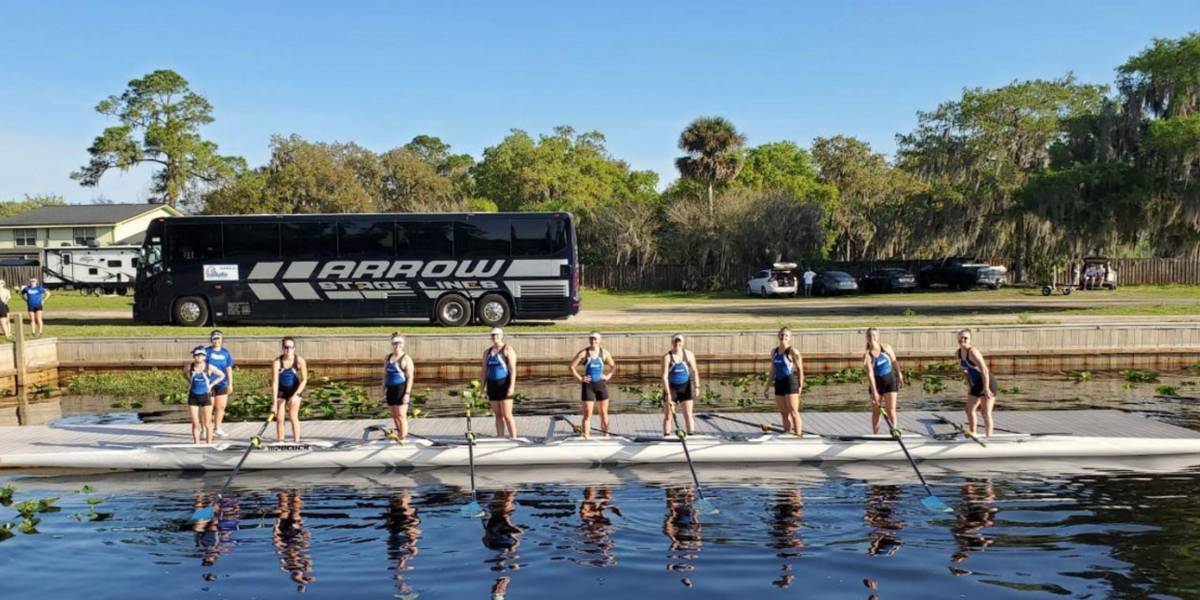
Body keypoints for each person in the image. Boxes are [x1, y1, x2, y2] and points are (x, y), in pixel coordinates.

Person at [569, 332, 616, 438]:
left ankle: (606, 437)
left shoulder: (604, 353)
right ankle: (586, 437)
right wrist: (581, 378)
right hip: (588, 387)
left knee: (604, 414)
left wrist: (608, 376)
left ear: (600, 340)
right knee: (587, 415)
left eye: (595, 339)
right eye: (591, 339)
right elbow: (571, 366)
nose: (593, 341)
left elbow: (613, 366)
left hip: (601, 386)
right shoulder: (584, 353)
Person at [956, 329, 998, 437]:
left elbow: (984, 370)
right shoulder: (958, 353)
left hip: (988, 382)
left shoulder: (973, 352)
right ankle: (973, 432)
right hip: (976, 384)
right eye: (961, 337)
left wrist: (986, 388)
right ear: (957, 338)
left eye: (966, 338)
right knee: (969, 409)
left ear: (970, 340)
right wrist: (970, 386)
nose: (963, 340)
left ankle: (989, 436)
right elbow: (965, 371)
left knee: (985, 412)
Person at [863, 327, 904, 436]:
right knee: (876, 413)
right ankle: (875, 435)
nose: (871, 337)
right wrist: (874, 392)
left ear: (878, 336)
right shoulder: (867, 355)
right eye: (869, 336)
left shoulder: (886, 347)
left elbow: (894, 361)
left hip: (890, 382)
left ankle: (895, 430)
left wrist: (899, 374)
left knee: (891, 410)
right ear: (866, 338)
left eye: (873, 335)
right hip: (877, 385)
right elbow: (870, 375)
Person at [764, 327, 804, 435]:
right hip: (779, 382)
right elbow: (773, 370)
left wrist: (800, 386)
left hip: (790, 382)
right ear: (778, 336)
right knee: (783, 413)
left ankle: (799, 435)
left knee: (793, 412)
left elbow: (800, 369)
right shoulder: (774, 352)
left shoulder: (792, 351)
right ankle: (787, 433)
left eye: (786, 335)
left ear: (789, 338)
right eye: (782, 335)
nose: (783, 337)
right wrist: (767, 387)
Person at [482, 327, 518, 439]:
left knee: (507, 415)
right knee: (498, 415)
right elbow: (484, 371)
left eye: (497, 335)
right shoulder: (487, 352)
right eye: (493, 335)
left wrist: (511, 387)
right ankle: (500, 437)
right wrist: (481, 389)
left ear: (501, 336)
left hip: (504, 384)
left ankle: (514, 438)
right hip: (492, 386)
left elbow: (513, 369)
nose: (495, 337)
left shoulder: (507, 349)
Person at [184, 345, 225, 445]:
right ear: (193, 356)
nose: (199, 357)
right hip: (193, 397)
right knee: (195, 423)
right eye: (197, 355)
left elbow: (222, 375)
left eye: (201, 355)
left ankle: (209, 444)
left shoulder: (209, 367)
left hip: (206, 397)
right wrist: (190, 382)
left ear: (205, 356)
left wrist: (211, 385)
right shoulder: (189, 367)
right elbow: (184, 374)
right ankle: (197, 445)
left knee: (207, 424)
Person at [661, 333, 699, 436]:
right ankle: (667, 436)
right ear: (672, 343)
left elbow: (695, 371)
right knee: (668, 416)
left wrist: (697, 387)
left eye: (679, 342)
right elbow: (664, 376)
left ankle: (691, 434)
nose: (677, 344)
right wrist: (668, 393)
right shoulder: (667, 357)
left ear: (683, 343)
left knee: (688, 414)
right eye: (675, 342)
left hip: (685, 387)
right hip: (671, 388)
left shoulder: (689, 354)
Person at [272, 337, 308, 442]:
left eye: (290, 347)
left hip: (294, 390)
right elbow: (275, 383)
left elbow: (304, 380)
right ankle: (280, 441)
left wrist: (296, 395)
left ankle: (297, 441)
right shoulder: (277, 362)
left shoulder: (300, 361)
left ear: (294, 348)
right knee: (279, 418)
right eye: (285, 347)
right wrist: (274, 403)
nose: (288, 350)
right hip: (281, 391)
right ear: (282, 348)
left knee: (293, 416)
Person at [381, 333, 415, 441]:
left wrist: (407, 394)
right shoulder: (388, 358)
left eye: (399, 343)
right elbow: (385, 375)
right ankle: (399, 434)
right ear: (392, 344)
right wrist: (383, 390)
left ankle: (403, 438)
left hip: (401, 389)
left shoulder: (406, 359)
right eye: (395, 343)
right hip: (390, 389)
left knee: (401, 415)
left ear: (402, 344)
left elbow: (410, 378)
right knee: (395, 415)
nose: (397, 346)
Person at [204, 330, 234, 438]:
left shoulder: (225, 353)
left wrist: (230, 384)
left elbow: (229, 368)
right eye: (214, 339)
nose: (216, 341)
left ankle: (217, 428)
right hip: (209, 383)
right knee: (209, 407)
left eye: (218, 338)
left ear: (222, 340)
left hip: (222, 383)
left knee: (221, 407)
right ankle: (206, 428)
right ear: (211, 340)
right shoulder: (206, 351)